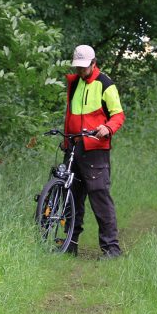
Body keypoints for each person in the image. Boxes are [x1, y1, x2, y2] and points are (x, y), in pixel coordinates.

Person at [63, 44, 125, 258]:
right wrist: (66, 140)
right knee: (71, 196)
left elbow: (118, 115)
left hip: (95, 148)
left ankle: (111, 249)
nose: (80, 70)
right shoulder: (74, 83)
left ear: (93, 63)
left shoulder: (105, 84)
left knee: (99, 197)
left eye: (83, 67)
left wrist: (108, 128)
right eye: (77, 67)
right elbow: (70, 114)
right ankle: (69, 245)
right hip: (73, 146)